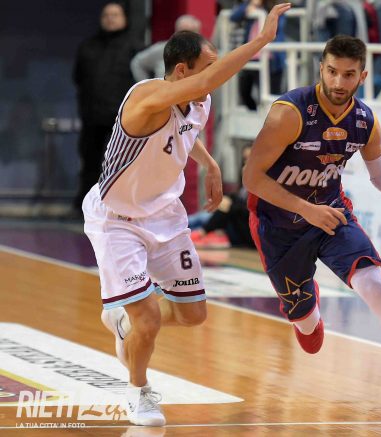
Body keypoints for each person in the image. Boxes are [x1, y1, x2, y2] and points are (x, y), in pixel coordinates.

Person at [242, 35, 381, 426]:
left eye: (348, 75)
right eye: (332, 71)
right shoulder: (290, 113)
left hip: (331, 215)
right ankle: (306, 307)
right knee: (308, 332)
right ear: (321, 68)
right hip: (278, 225)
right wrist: (305, 210)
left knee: (373, 284)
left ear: (362, 76)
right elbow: (251, 176)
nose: (338, 81)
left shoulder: (364, 120)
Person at [82, 4, 291, 427]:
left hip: (165, 215)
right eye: (207, 67)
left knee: (193, 314)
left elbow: (185, 131)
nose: (213, 76)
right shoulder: (146, 97)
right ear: (182, 71)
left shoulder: (198, 100)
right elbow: (201, 88)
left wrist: (209, 163)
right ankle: (138, 391)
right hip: (117, 220)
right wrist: (261, 39)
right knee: (148, 318)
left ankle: (126, 323)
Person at [73, 2, 143, 214]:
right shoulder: (88, 46)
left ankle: (119, 209)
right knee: (90, 163)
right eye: (106, 15)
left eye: (115, 14)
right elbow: (78, 78)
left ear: (124, 18)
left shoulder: (135, 47)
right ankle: (86, 208)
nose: (110, 18)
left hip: (122, 120)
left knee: (120, 164)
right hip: (92, 116)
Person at [130, 14, 202, 81]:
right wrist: (147, 85)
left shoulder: (204, 54)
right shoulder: (162, 49)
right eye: (183, 32)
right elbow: (137, 62)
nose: (187, 36)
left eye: (192, 32)